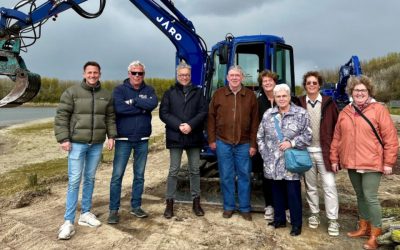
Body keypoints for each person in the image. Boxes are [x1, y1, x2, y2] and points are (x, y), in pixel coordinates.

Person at [330, 75, 398, 249]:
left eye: (363, 90)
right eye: (356, 90)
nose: (359, 93)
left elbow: (390, 137)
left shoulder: (378, 110)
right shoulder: (345, 111)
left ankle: (375, 234)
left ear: (369, 92)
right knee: (360, 196)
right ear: (351, 92)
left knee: (370, 197)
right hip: (352, 162)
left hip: (372, 162)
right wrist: (334, 158)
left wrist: (389, 162)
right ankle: (363, 227)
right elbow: (337, 137)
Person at [54, 61, 117, 240]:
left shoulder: (106, 95)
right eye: (89, 72)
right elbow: (61, 116)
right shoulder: (71, 92)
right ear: (84, 73)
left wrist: (111, 136)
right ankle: (68, 221)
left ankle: (86, 214)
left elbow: (110, 117)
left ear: (100, 74)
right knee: (74, 181)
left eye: (95, 72)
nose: (92, 75)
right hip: (76, 144)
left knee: (89, 179)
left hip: (96, 144)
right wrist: (63, 138)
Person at [257, 84, 312, 236]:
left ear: (289, 97)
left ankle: (296, 224)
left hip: (291, 163)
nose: (281, 99)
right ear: (274, 98)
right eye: (278, 96)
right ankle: (279, 219)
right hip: (272, 163)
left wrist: (292, 143)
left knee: (293, 194)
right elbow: (260, 136)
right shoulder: (268, 114)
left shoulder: (300, 113)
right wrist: (265, 154)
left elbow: (308, 136)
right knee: (276, 193)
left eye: (284, 96)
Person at [108, 60, 158, 224]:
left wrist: (135, 101)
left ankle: (136, 206)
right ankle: (113, 210)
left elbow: (152, 104)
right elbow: (119, 109)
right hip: (123, 139)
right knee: (117, 176)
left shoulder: (149, 89)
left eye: (140, 73)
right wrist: (141, 107)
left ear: (144, 74)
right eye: (134, 73)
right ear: (129, 73)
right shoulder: (119, 90)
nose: (137, 76)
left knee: (139, 176)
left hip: (142, 139)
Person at [207, 65, 259, 221]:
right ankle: (229, 207)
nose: (235, 78)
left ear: (242, 77)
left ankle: (244, 208)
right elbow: (210, 118)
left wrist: (253, 144)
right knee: (226, 176)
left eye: (237, 75)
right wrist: (211, 139)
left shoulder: (250, 96)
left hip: (244, 144)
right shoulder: (219, 94)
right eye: (232, 75)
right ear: (227, 77)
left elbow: (255, 122)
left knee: (244, 176)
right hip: (223, 142)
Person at [159, 62, 208, 218]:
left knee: (194, 170)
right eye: (181, 75)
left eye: (187, 75)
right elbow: (164, 113)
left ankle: (196, 202)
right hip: (176, 136)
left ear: (190, 76)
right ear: (177, 76)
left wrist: (191, 125)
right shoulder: (169, 92)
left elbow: (203, 111)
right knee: (174, 171)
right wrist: (179, 125)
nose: (184, 77)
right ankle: (170, 203)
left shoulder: (198, 93)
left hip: (193, 136)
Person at [298, 71, 340, 236]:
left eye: (314, 83)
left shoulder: (329, 103)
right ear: (305, 86)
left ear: (319, 85)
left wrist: (335, 151)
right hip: (307, 152)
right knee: (311, 186)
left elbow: (338, 129)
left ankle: (333, 220)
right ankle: (314, 215)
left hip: (325, 152)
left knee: (329, 186)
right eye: (309, 83)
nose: (312, 85)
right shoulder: (300, 103)